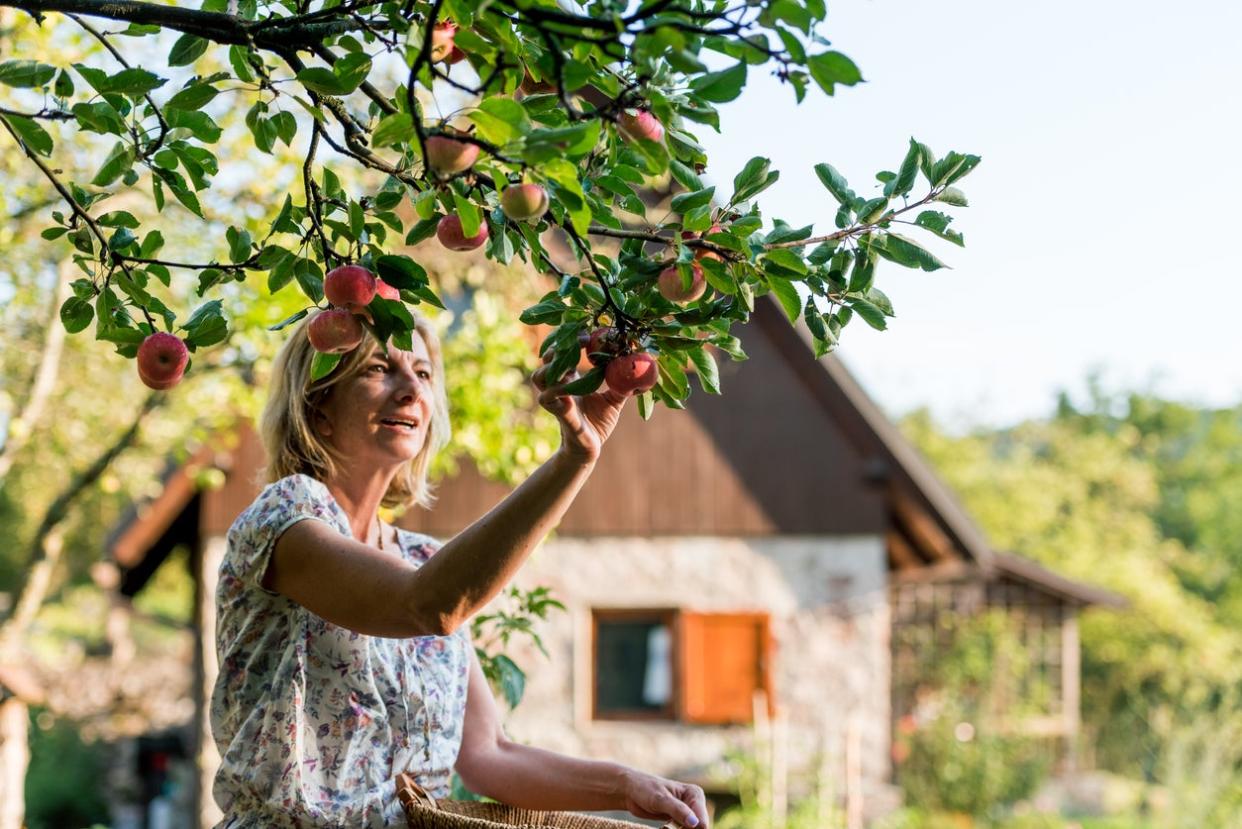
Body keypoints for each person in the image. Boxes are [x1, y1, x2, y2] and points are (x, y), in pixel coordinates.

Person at [209, 312, 709, 828]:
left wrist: (626, 785)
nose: (411, 392)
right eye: (379, 368)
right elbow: (429, 604)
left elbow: (489, 754)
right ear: (318, 406)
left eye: (423, 375)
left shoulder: (423, 556)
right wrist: (572, 461)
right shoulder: (284, 516)